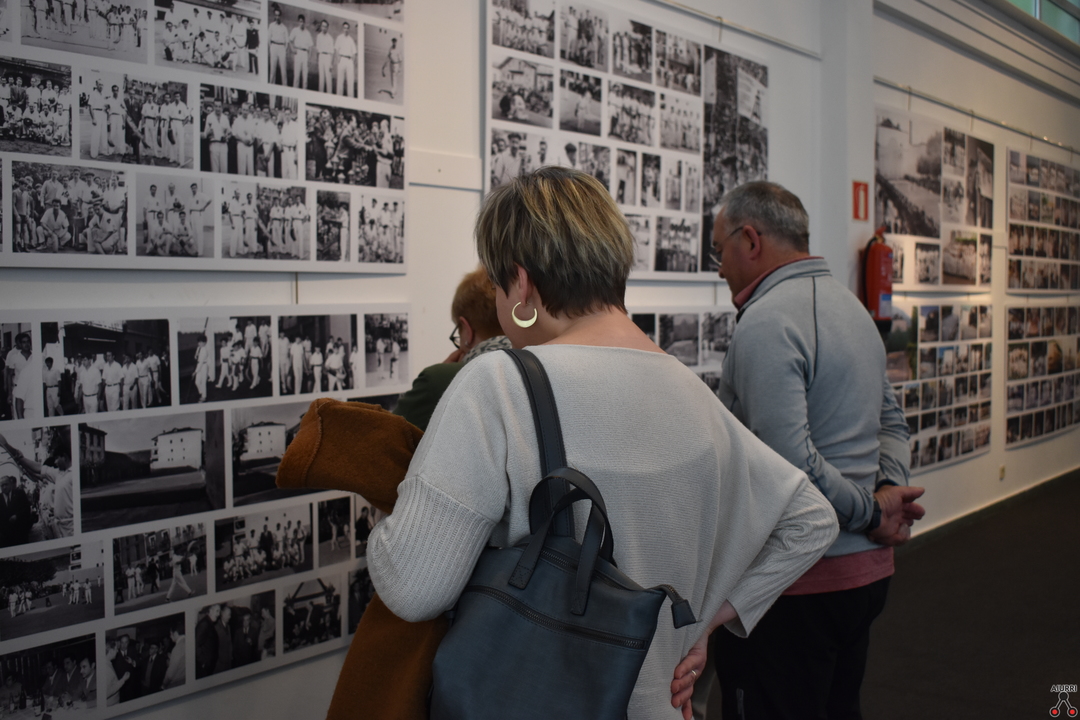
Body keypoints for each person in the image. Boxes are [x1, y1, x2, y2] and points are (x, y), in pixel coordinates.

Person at [365, 168, 838, 718]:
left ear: (521, 285)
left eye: (496, 284)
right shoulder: (689, 388)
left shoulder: (498, 384)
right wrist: (706, 625)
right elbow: (811, 520)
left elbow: (412, 587)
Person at [702, 181, 926, 720]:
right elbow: (892, 423)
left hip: (795, 587)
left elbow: (791, 465)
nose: (719, 267)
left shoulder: (766, 322)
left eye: (718, 250)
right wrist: (886, 494)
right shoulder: (854, 311)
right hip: (864, 577)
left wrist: (874, 510)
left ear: (750, 240)